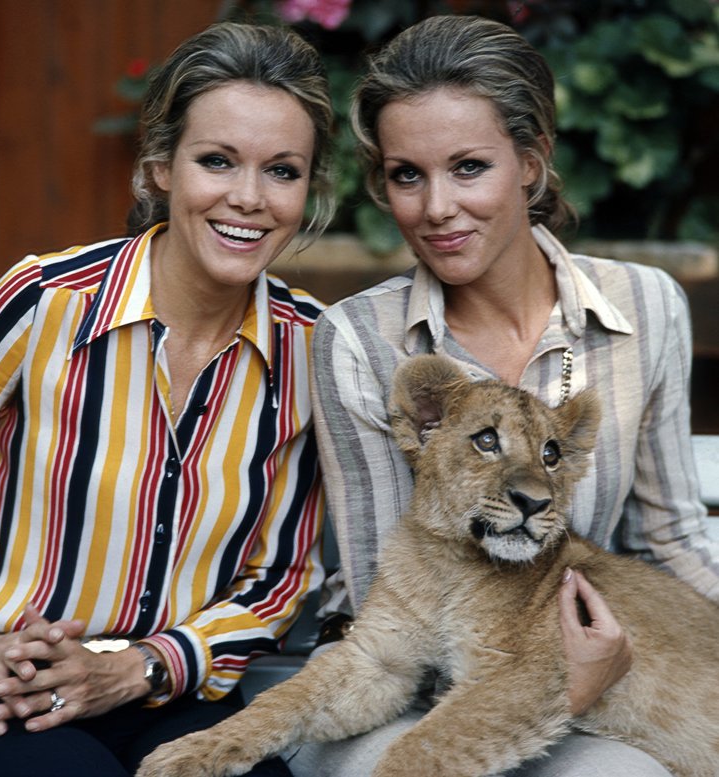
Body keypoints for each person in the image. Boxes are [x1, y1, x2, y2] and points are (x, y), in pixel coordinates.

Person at [295, 14, 719, 777]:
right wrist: (557, 684)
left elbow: (671, 539)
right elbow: (389, 619)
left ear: (531, 161)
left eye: (468, 167)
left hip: (591, 676)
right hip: (401, 691)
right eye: (407, 174)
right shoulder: (359, 338)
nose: (436, 208)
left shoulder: (645, 306)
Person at [0, 21, 334, 777]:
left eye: (282, 171)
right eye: (216, 160)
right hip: (10, 683)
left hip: (175, 693)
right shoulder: (45, 300)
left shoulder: (310, 348)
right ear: (161, 167)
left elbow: (277, 579)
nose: (248, 198)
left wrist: (141, 666)